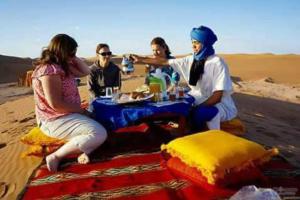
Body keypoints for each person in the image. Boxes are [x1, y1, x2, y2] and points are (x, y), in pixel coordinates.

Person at [130, 26, 237, 130]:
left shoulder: (217, 63)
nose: (193, 46)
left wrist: (196, 108)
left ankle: (199, 135)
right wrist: (140, 59)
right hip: (196, 97)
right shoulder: (190, 60)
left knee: (201, 112)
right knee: (176, 103)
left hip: (218, 104)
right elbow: (164, 61)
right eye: (192, 42)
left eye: (197, 43)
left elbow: (217, 97)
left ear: (206, 43)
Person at [32, 34, 107, 172]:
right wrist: (82, 111)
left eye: (74, 52)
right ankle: (56, 156)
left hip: (69, 115)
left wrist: (72, 57)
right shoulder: (49, 70)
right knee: (99, 133)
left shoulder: (62, 66)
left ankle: (85, 150)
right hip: (54, 119)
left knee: (104, 119)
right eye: (71, 52)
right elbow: (56, 104)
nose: (73, 55)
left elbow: (86, 71)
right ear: (62, 51)